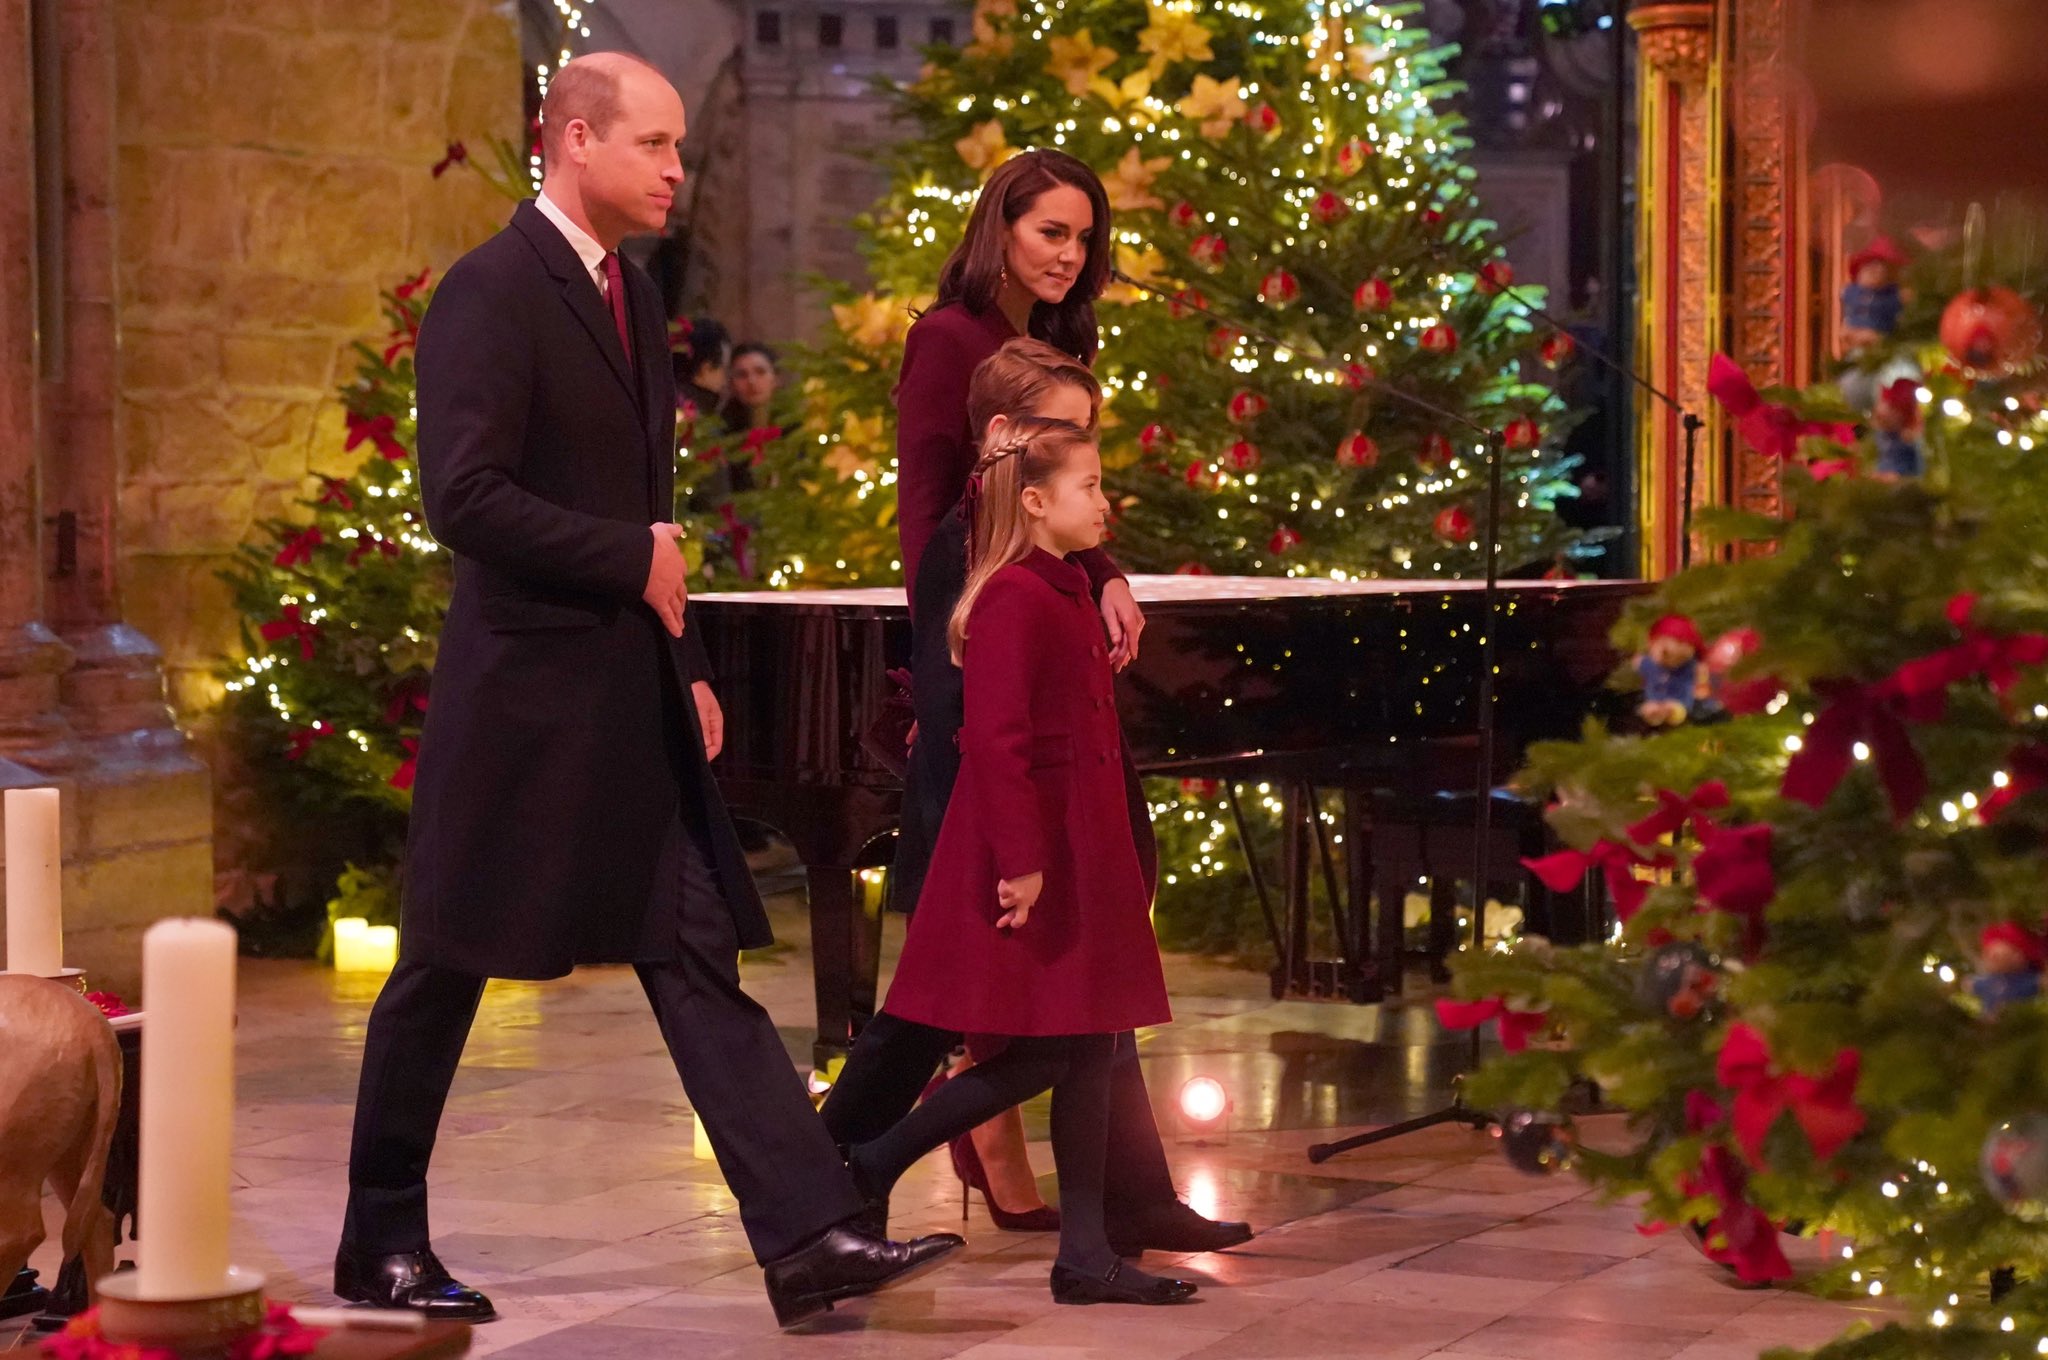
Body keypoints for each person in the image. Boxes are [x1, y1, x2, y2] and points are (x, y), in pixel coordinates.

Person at [334, 51, 959, 1329]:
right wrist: (631, 563)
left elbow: (648, 514)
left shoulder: (630, 288)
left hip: (628, 692)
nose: (678, 169)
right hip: (521, 701)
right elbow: (463, 496)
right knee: (443, 965)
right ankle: (378, 1240)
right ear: (573, 139)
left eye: (679, 145)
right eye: (654, 144)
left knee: (693, 953)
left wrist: (683, 661)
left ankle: (808, 1234)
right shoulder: (489, 289)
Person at [822, 150, 1253, 1258]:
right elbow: (936, 518)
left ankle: (1129, 1197)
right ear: (999, 230)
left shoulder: (1055, 346)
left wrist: (1102, 574)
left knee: (1086, 947)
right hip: (979, 679)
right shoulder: (948, 341)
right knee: (948, 977)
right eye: (1049, 231)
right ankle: (826, 1167)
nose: (1069, 254)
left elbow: (1058, 503)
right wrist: (955, 682)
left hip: (1037, 663)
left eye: (1083, 236)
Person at [846, 417, 1196, 1306]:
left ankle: (1084, 1253)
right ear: (1035, 502)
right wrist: (1023, 862)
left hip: (1082, 845)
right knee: (1051, 1053)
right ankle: (877, 1157)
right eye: (1090, 486)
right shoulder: (1010, 596)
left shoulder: (1065, 583)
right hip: (1038, 852)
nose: (1106, 502)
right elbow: (997, 742)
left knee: (1088, 1045)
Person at [721, 341, 781, 433]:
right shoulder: (720, 427)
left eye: (760, 372)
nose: (751, 381)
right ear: (732, 383)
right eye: (742, 375)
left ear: (776, 378)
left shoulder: (796, 420)